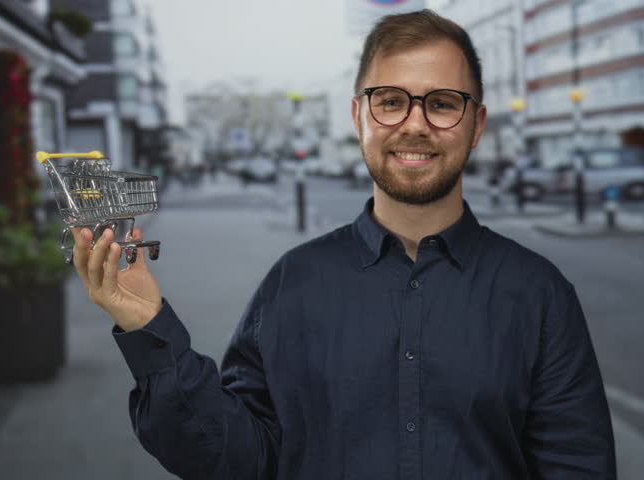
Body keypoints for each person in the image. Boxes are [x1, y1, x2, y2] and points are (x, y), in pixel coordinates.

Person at [71, 9, 616, 479]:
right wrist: (150, 329)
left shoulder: (539, 293)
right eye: (390, 101)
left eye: (443, 103)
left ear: (476, 125)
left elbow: (577, 465)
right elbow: (236, 460)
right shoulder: (293, 283)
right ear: (359, 118)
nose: (415, 124)